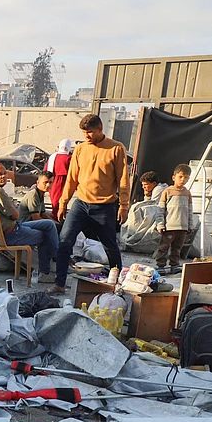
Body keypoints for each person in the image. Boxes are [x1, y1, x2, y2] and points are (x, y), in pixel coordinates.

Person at [48, 114, 130, 295]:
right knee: (65, 240)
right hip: (81, 204)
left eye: (90, 132)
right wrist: (63, 202)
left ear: (100, 129)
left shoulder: (116, 148)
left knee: (110, 246)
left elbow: (123, 179)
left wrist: (124, 205)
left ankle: (116, 284)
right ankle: (59, 284)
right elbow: (72, 178)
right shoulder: (80, 149)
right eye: (84, 133)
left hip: (105, 206)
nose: (87, 136)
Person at [0, 163, 59, 283]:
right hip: (11, 233)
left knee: (49, 224)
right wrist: (13, 206)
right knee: (46, 236)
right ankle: (49, 269)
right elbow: (15, 215)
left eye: (4, 173)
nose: (3, 176)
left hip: (13, 227)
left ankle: (57, 257)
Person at [154, 164, 194, 274]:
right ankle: (161, 266)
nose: (183, 179)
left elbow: (190, 211)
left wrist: (190, 225)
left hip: (183, 227)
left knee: (177, 248)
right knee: (164, 247)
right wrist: (160, 224)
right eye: (180, 176)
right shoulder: (167, 191)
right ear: (173, 177)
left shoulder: (187, 193)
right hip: (169, 227)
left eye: (186, 177)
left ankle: (174, 265)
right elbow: (160, 210)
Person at [45, 138, 73, 219]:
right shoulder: (68, 158)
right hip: (61, 181)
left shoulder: (52, 156)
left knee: (55, 201)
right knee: (60, 202)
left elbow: (45, 170)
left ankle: (57, 218)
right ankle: (57, 219)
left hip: (51, 180)